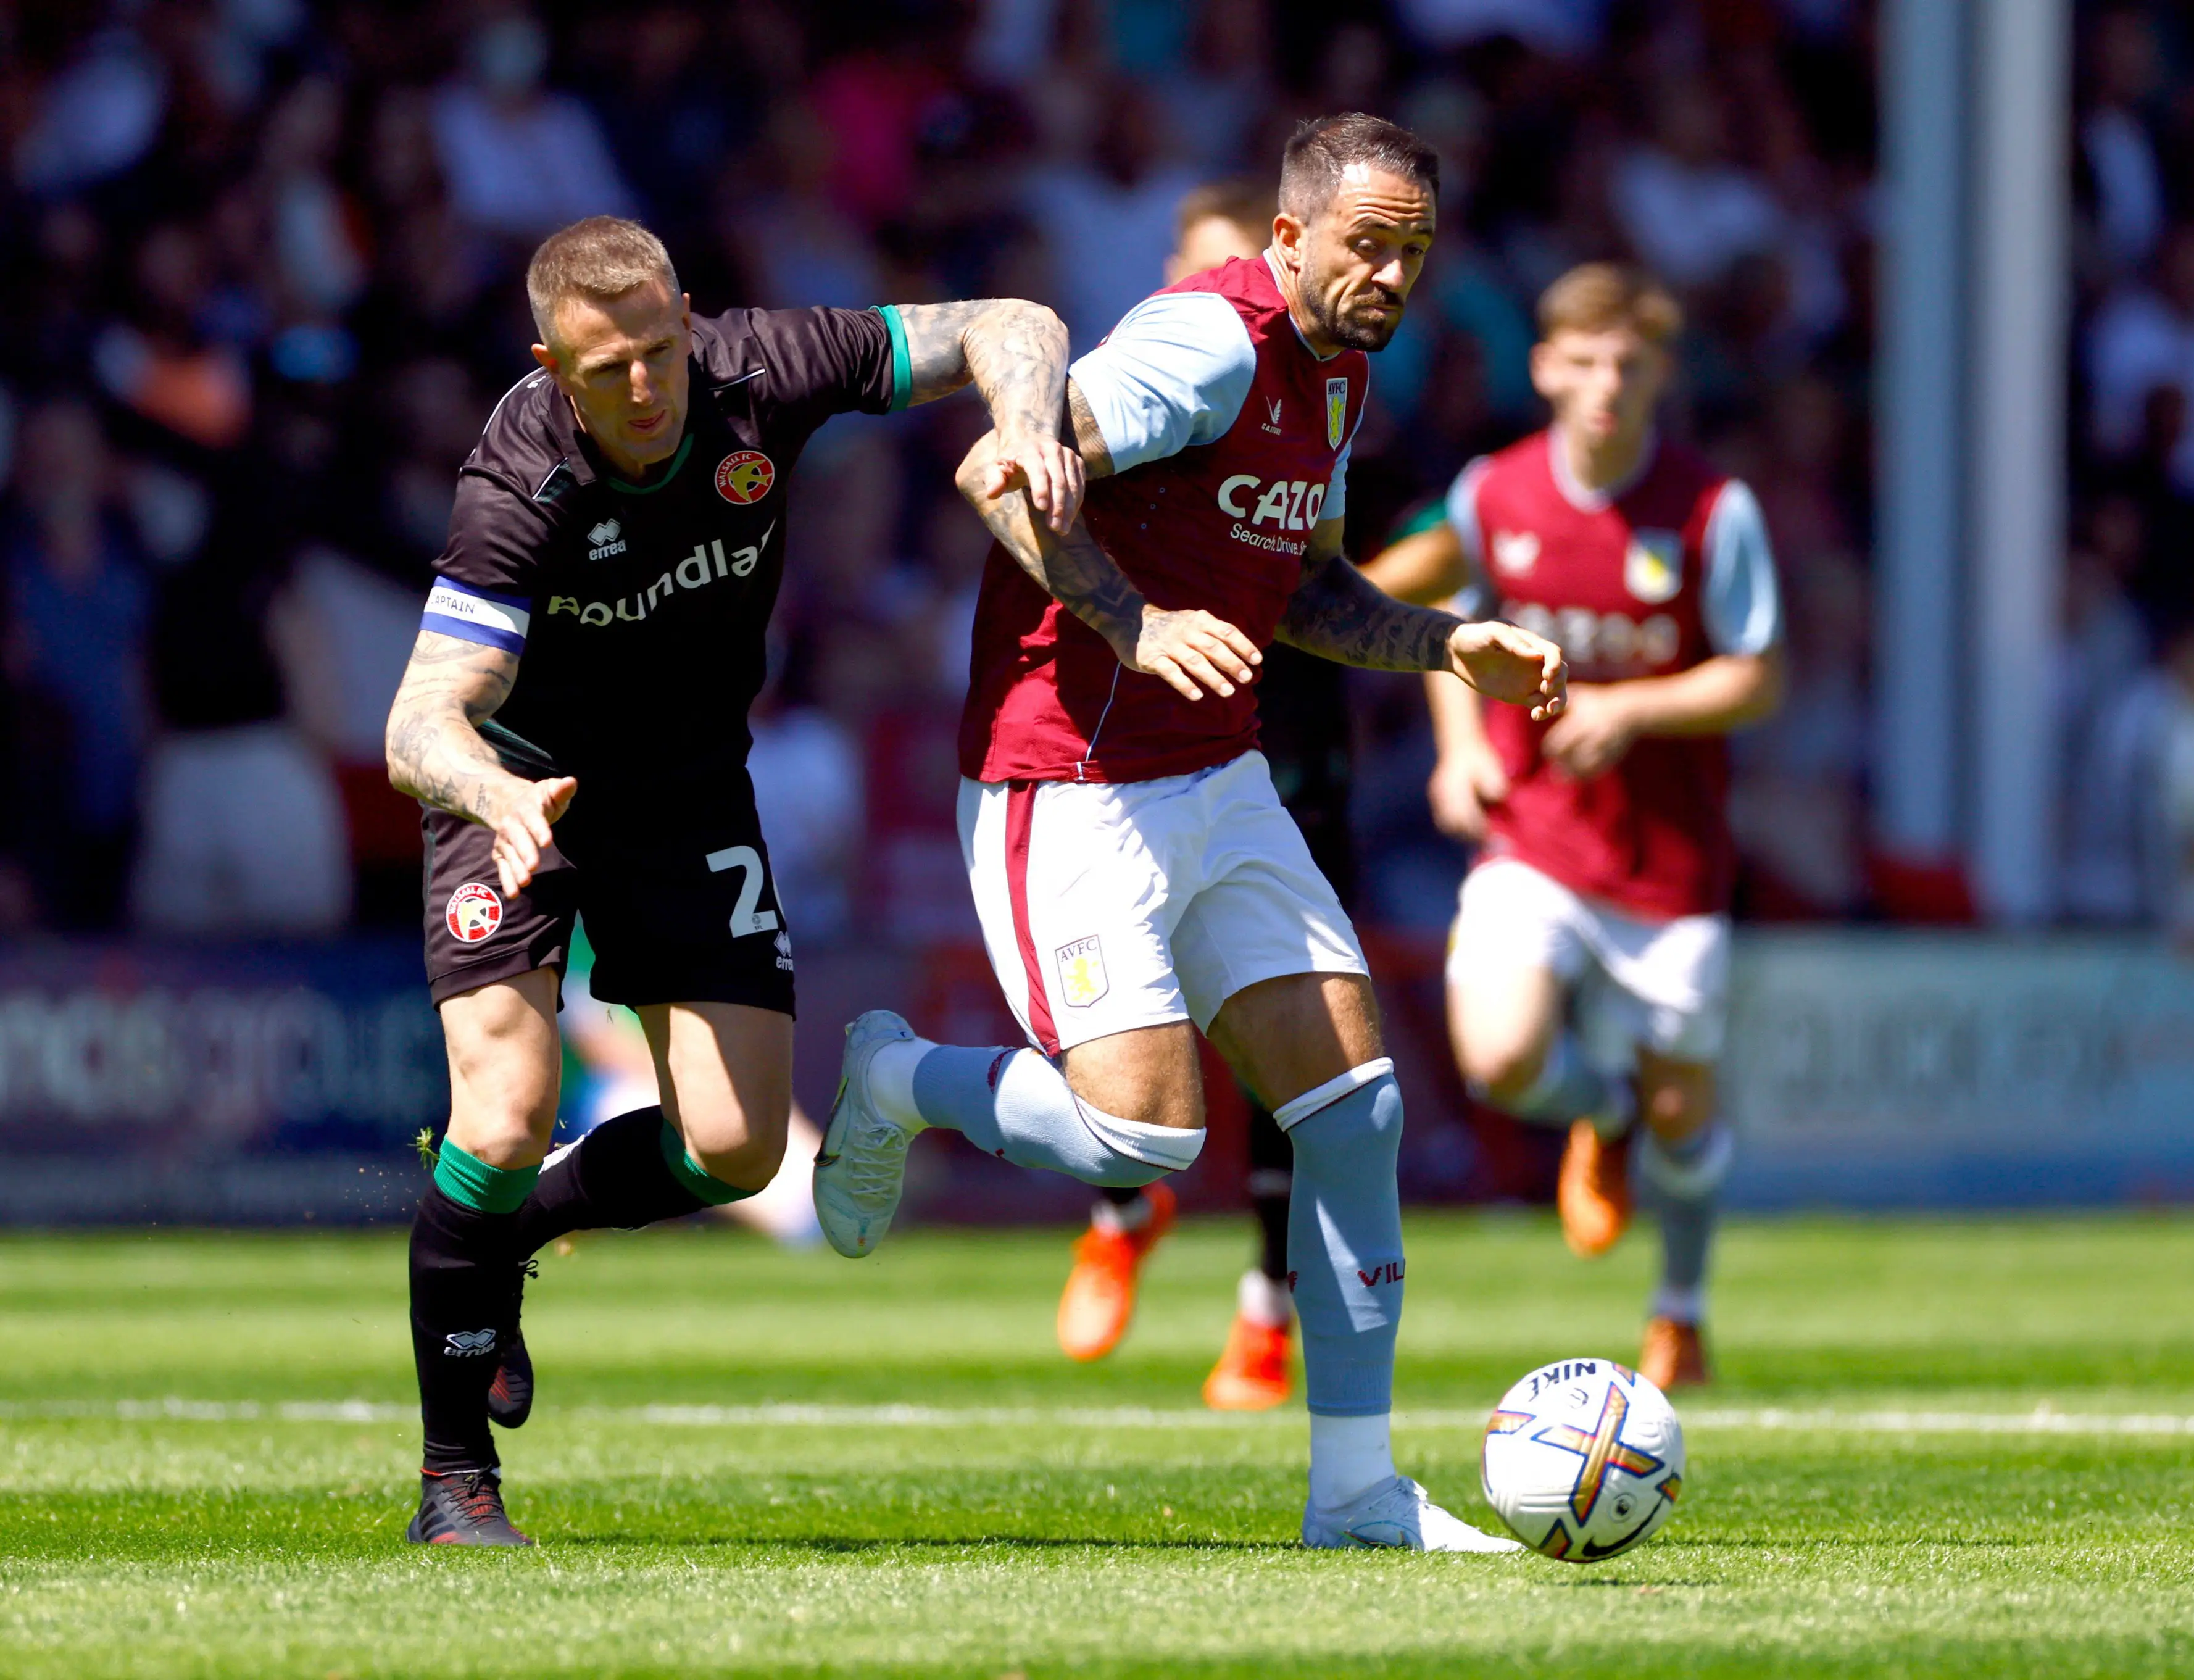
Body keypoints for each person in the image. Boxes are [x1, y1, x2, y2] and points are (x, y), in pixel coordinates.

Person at [815, 115, 1567, 1552]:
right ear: (1286, 239)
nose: (1393, 274)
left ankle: (1355, 1492)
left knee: (1359, 1111)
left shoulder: (1337, 375)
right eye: (1367, 244)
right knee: (1146, 1134)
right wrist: (1136, 619)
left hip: (1216, 778)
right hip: (1070, 778)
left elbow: (1311, 591)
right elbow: (995, 476)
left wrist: (1446, 643)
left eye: (1413, 251)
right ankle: (900, 1077)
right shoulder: (1204, 345)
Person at [383, 215, 1079, 1546]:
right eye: (606, 371)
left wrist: (1031, 421)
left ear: (690, 316)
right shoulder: (518, 475)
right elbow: (420, 723)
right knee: (505, 1104)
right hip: (518, 787)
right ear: (550, 364)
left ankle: (505, 1235)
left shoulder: (767, 364)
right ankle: (454, 1482)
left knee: (738, 1147)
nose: (646, 389)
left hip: (690, 789)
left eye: (660, 351)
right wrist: (496, 796)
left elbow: (1015, 319)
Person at [1364, 262, 1784, 1392]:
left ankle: (1680, 1308)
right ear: (1545, 368)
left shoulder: (1710, 510)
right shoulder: (1494, 494)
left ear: (1661, 376)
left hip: (1669, 863)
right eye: (1586, 362)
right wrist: (1458, 744)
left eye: (1631, 365)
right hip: (1538, 836)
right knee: (1499, 1056)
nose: (1607, 385)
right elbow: (1415, 608)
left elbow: (1760, 675)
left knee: (1686, 1111)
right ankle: (1597, 1113)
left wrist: (1632, 706)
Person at [1049, 180, 1354, 1415]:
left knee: (1295, 1026)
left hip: (1282, 724)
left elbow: (1327, 570)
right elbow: (1022, 474)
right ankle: (1124, 1196)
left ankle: (1268, 1308)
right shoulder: (1160, 365)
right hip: (1121, 728)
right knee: (1115, 983)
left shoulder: (1323, 380)